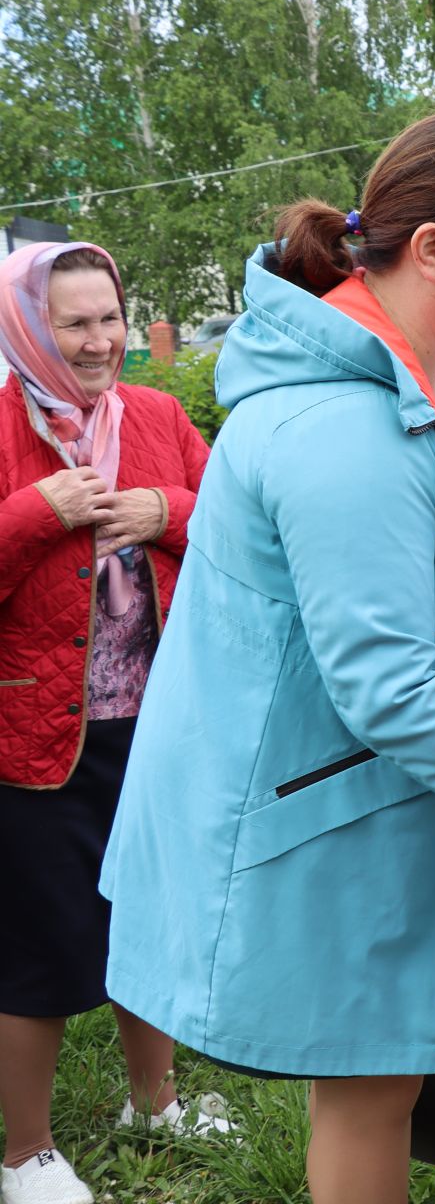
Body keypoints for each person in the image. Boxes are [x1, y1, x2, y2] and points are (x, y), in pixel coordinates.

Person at [97, 109, 435, 1204]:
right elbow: (390, 691)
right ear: (431, 250)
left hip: (341, 803)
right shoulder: (349, 428)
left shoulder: (392, 389)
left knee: (378, 1088)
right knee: (371, 1092)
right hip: (336, 811)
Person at [0, 242, 222, 1204]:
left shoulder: (162, 418)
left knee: (153, 923)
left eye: (110, 319)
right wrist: (33, 514)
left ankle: (154, 1100)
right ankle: (25, 1153)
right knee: (41, 947)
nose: (99, 343)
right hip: (38, 738)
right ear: (27, 329)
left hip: (156, 722)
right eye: (73, 323)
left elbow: (235, 525)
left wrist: (164, 507)